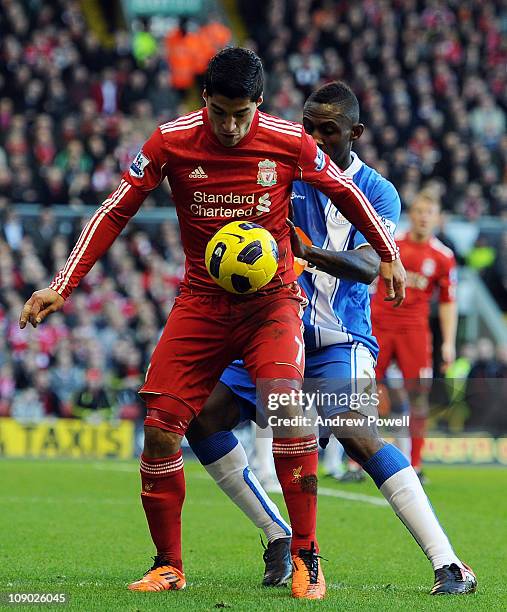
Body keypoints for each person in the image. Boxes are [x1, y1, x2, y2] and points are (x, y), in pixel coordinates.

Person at [18, 49, 404, 601]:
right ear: (205, 101)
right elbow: (114, 209)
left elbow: (348, 191)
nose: (229, 126)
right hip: (202, 301)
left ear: (259, 105)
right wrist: (62, 282)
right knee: (160, 426)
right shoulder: (170, 140)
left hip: (272, 302)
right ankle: (169, 564)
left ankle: (306, 556)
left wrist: (387, 253)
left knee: (286, 407)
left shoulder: (287, 141)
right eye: (220, 113)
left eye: (241, 114)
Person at [186, 81, 477, 596]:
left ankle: (449, 564)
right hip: (274, 329)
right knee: (203, 414)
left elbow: (369, 266)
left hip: (340, 338)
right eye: (309, 127)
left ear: (354, 133)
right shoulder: (280, 174)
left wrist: (307, 253)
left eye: (329, 130)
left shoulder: (378, 191)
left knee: (356, 432)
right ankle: (278, 536)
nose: (316, 138)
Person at [371, 190, 458, 479]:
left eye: (428, 213)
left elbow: (448, 302)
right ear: (411, 214)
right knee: (364, 392)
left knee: (419, 395)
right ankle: (357, 462)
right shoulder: (391, 246)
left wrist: (448, 343)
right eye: (419, 211)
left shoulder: (443, 257)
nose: (423, 217)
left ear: (437, 218)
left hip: (415, 332)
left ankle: (416, 463)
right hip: (379, 324)